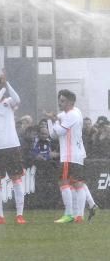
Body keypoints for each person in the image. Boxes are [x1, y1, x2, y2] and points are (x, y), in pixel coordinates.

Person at [0, 74, 26, 224]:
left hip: (12, 145)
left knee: (16, 179)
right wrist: (2, 89)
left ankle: (19, 214)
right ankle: (0, 215)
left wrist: (7, 84)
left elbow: (17, 99)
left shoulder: (9, 102)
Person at [47, 89, 87, 223]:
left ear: (70, 102)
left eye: (63, 100)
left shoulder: (71, 114)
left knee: (64, 182)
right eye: (59, 100)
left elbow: (58, 131)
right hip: (76, 154)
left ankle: (69, 214)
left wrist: (54, 120)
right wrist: (51, 120)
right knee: (77, 184)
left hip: (69, 155)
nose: (60, 103)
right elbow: (52, 135)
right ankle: (79, 215)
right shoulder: (75, 112)